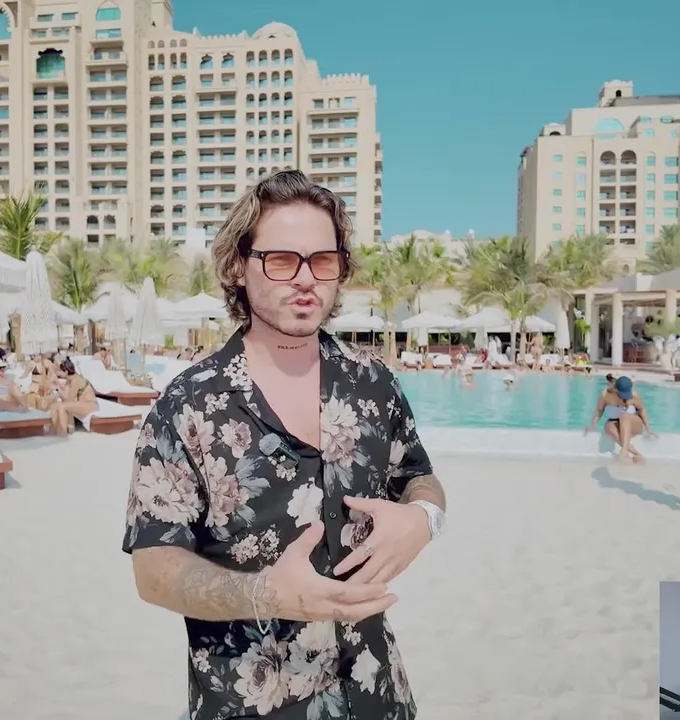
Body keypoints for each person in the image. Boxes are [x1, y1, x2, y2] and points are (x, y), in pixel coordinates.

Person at [123, 170, 446, 719]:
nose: (305, 279)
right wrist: (267, 594)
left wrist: (424, 519)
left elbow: (418, 476)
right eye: (281, 260)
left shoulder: (373, 383)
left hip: (378, 694)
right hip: (249, 702)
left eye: (322, 260)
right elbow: (154, 569)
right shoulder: (188, 405)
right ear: (237, 266)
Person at [586, 375, 656, 463]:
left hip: (634, 424)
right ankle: (637, 453)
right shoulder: (606, 395)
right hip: (616, 423)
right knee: (608, 428)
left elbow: (642, 410)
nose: (624, 397)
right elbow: (599, 410)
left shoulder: (634, 395)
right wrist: (592, 424)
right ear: (615, 389)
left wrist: (648, 428)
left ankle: (623, 452)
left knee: (624, 416)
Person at [47, 357, 97, 436]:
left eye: (60, 371)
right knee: (54, 406)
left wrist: (58, 391)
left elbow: (69, 400)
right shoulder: (70, 379)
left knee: (62, 407)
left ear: (66, 372)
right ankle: (53, 431)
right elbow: (66, 395)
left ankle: (63, 433)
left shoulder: (75, 380)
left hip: (90, 404)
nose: (58, 373)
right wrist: (58, 387)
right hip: (83, 403)